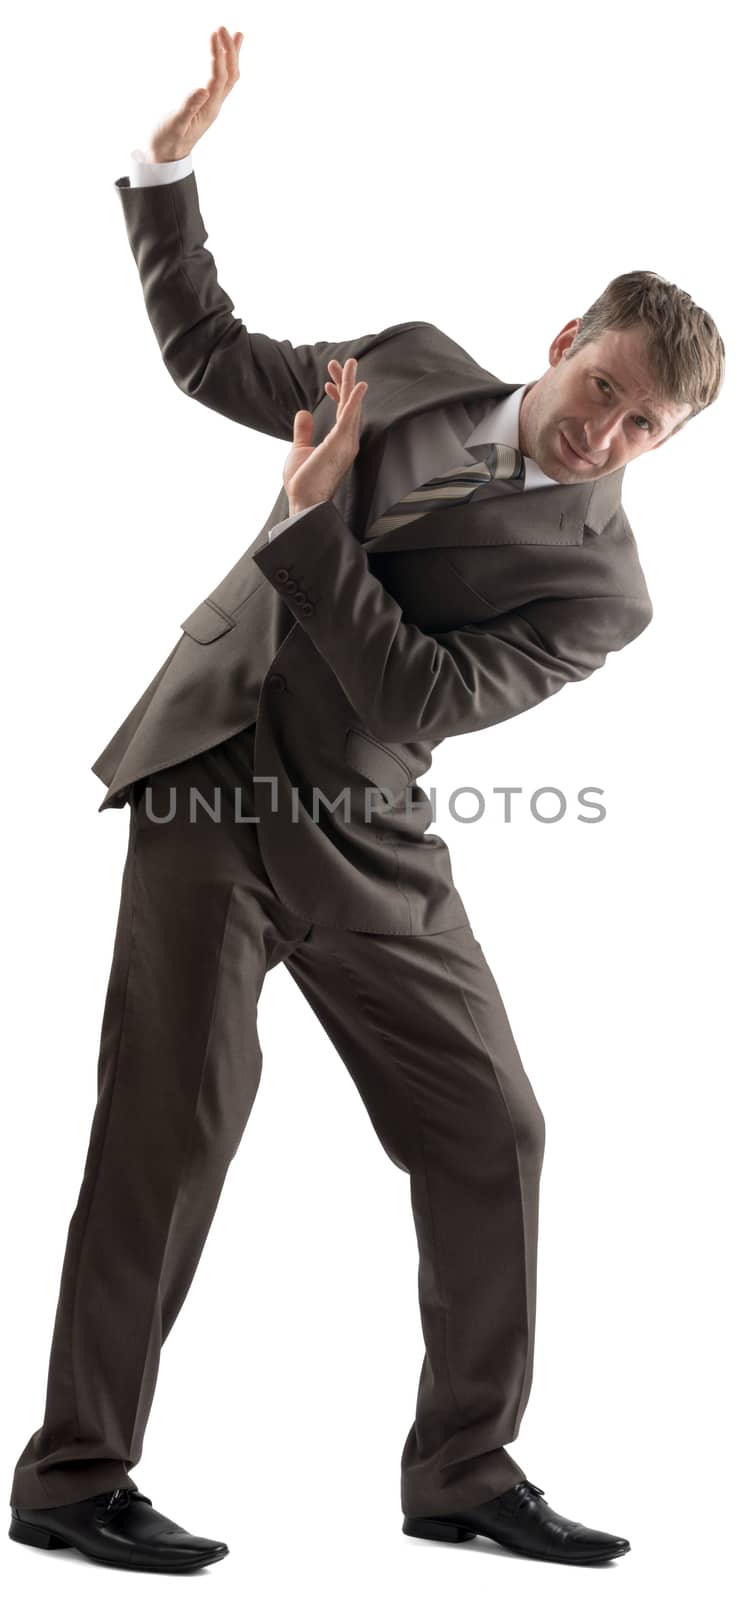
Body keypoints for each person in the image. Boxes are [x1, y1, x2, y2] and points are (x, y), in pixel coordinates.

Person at [8, 24, 725, 1576]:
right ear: (563, 338)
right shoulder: (401, 362)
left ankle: (464, 1469)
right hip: (207, 777)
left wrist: (316, 522)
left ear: (668, 444)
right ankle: (70, 1480)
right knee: (169, 1134)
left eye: (641, 427)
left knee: (495, 1128)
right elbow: (211, 357)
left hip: (366, 829)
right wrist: (169, 171)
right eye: (598, 385)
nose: (601, 431)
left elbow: (414, 698)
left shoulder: (605, 593)